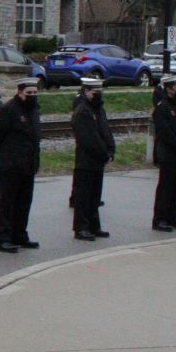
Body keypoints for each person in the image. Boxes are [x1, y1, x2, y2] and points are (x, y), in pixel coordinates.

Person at [0, 79, 42, 253]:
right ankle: (3, 238)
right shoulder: (10, 109)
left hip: (28, 163)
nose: (33, 96)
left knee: (24, 201)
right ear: (20, 93)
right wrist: (4, 157)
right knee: (8, 203)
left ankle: (19, 234)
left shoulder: (34, 110)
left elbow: (35, 137)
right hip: (11, 164)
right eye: (29, 94)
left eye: (35, 93)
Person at [70, 76, 114, 241]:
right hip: (86, 160)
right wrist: (104, 153)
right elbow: (89, 138)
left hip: (98, 160)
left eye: (100, 91)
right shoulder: (82, 111)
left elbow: (105, 131)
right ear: (86, 91)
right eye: (95, 92)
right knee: (83, 196)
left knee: (95, 196)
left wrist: (111, 149)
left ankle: (94, 226)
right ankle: (81, 227)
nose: (98, 95)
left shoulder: (98, 109)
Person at [151, 75, 176, 232]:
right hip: (169, 153)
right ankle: (160, 218)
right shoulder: (162, 108)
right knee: (166, 186)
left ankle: (172, 216)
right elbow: (165, 133)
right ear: (168, 89)